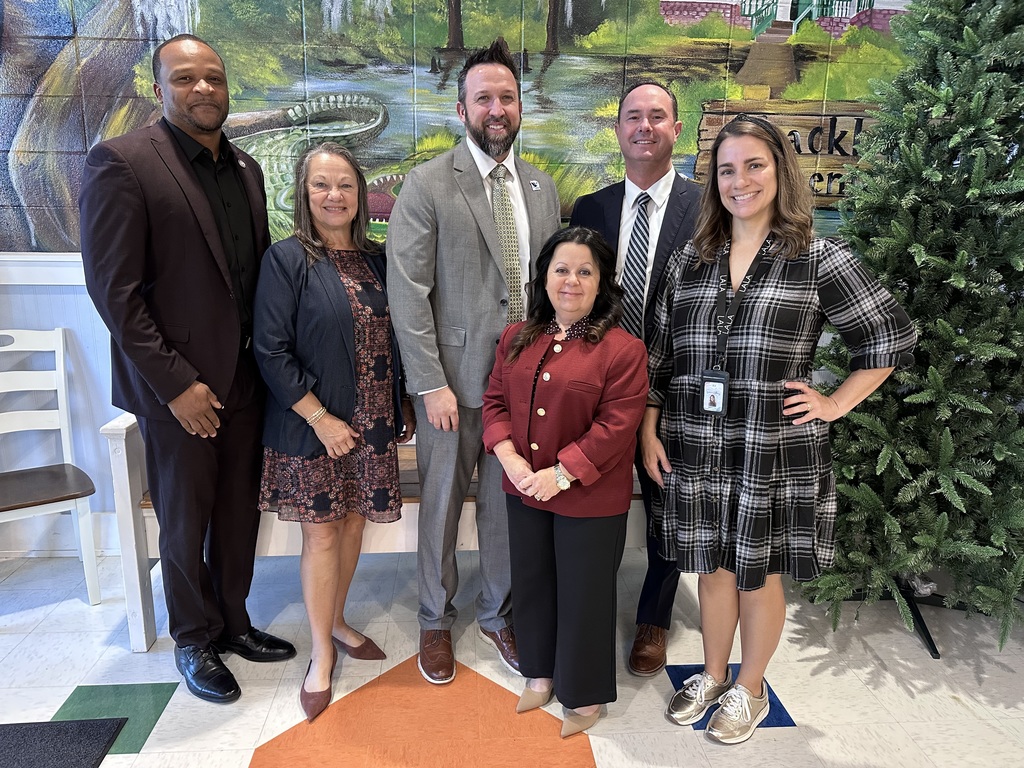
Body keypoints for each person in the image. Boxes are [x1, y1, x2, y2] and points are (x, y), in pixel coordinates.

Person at [642, 114, 916, 744]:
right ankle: (712, 675)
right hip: (698, 442)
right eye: (728, 170)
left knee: (757, 572)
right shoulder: (693, 259)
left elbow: (890, 336)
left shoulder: (819, 258)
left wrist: (834, 403)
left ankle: (751, 688)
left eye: (754, 165)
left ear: (780, 171)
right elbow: (660, 354)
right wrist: (649, 429)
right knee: (710, 567)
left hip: (773, 446)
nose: (741, 181)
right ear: (714, 182)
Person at [79, 34, 296, 704]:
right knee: (184, 517)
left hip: (244, 380)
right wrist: (175, 385)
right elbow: (114, 293)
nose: (204, 89)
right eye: (186, 78)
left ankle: (233, 620)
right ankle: (193, 638)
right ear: (158, 89)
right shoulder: (121, 163)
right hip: (178, 392)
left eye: (214, 78)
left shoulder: (247, 170)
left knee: (237, 512)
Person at [387, 38, 561, 684]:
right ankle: (435, 618)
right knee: (438, 506)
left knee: (506, 507)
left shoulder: (540, 188)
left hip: (522, 391)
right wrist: (427, 382)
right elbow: (409, 293)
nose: (496, 108)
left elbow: (549, 288)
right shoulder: (429, 184)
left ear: (521, 109)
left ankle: (497, 611)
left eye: (506, 97)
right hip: (452, 390)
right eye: (483, 97)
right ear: (461, 109)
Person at [253, 142, 415, 722]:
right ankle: (321, 653)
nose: (334, 196)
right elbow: (270, 351)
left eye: (344, 184)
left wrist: (399, 402)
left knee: (351, 528)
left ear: (360, 192)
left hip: (369, 426)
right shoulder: (288, 259)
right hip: (315, 426)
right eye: (321, 185)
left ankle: (340, 620)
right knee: (322, 535)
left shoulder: (376, 257)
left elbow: (392, 338)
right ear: (304, 192)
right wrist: (321, 419)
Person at [482, 227, 648, 737]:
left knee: (585, 593)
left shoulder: (623, 350)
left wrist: (560, 474)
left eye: (584, 271)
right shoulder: (516, 337)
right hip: (524, 488)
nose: (571, 281)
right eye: (561, 269)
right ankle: (540, 672)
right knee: (532, 584)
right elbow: (495, 402)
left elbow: (617, 426)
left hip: (590, 496)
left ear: (601, 284)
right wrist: (508, 457)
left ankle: (584, 693)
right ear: (545, 277)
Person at [570, 80, 702, 677]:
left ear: (678, 129)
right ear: (618, 130)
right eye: (632, 117)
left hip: (677, 385)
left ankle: (654, 618)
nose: (644, 126)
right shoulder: (590, 209)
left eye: (658, 116)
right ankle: (584, 607)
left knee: (665, 504)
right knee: (591, 498)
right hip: (599, 385)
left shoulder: (708, 210)